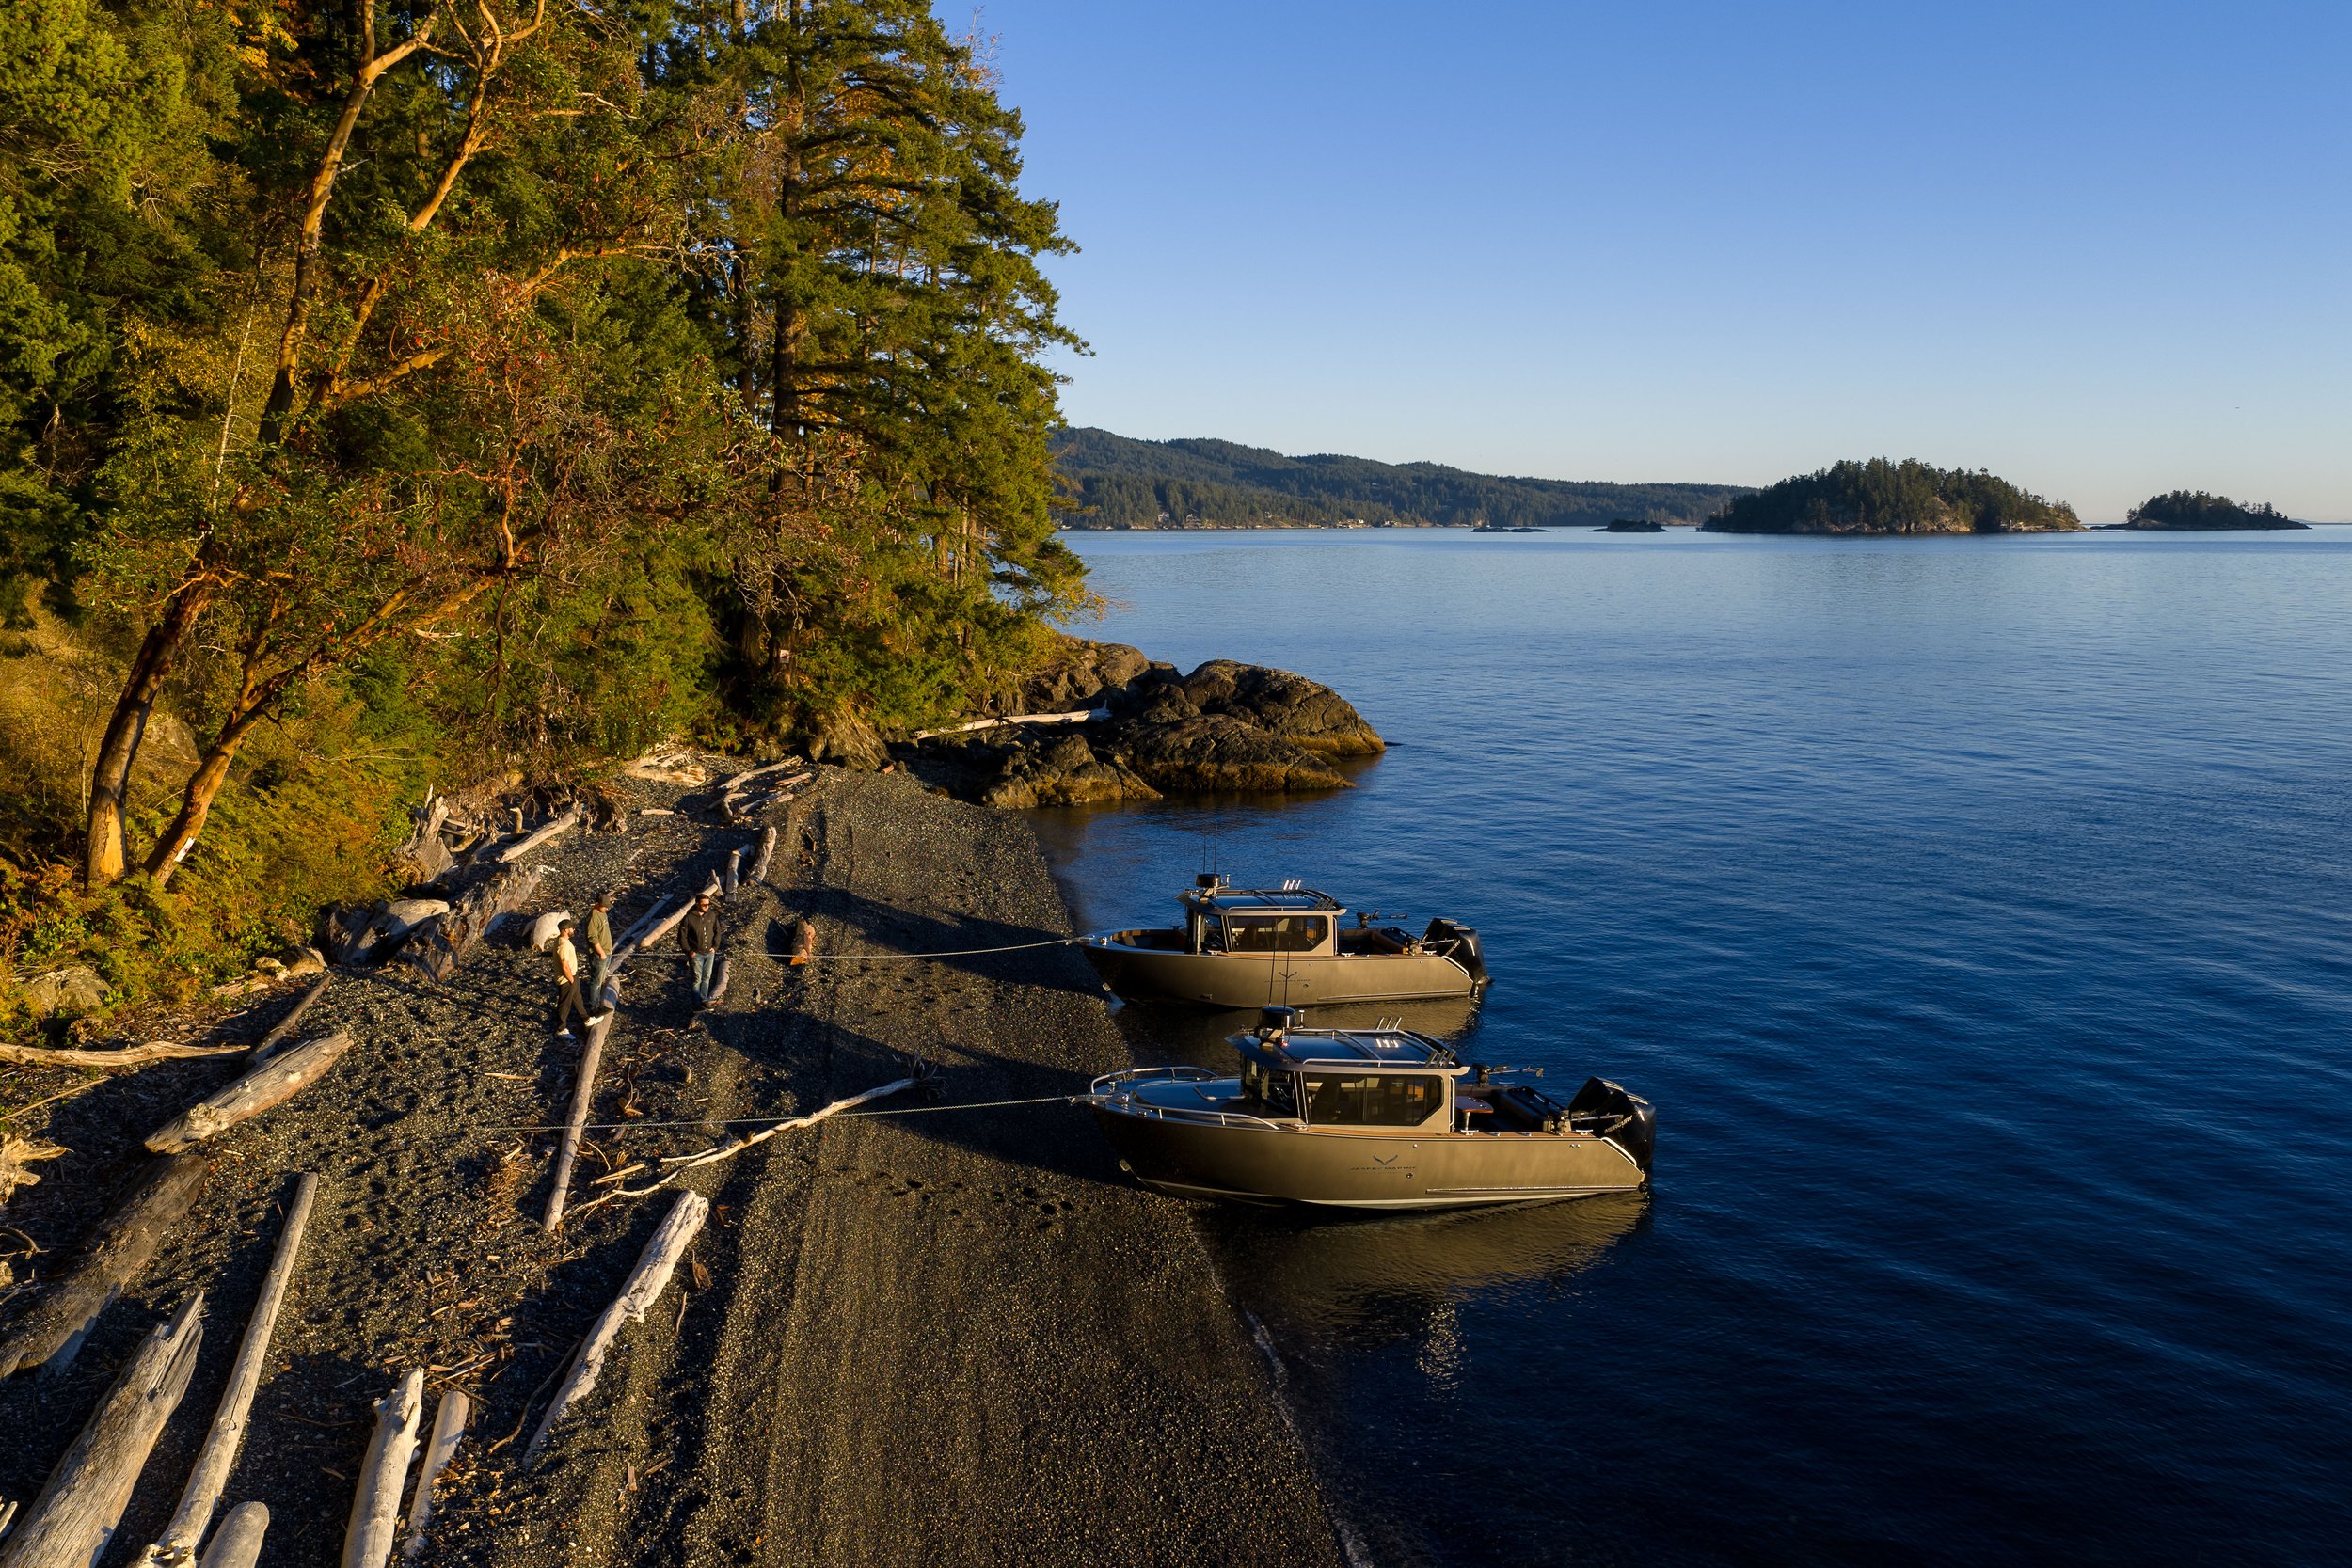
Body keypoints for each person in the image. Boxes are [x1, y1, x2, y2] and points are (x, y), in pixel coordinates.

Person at [680, 891, 721, 1003]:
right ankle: (696, 1003)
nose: (707, 907)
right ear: (697, 904)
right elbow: (682, 936)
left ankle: (703, 1000)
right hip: (696, 953)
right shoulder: (689, 918)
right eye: (704, 905)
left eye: (708, 904)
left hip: (709, 952)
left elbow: (717, 931)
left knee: (706, 978)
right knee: (697, 979)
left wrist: (715, 947)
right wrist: (689, 951)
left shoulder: (712, 915)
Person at [553, 917, 587, 1038]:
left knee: (577, 997)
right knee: (565, 1004)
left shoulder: (561, 940)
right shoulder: (563, 945)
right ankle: (561, 1029)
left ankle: (586, 1018)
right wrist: (571, 979)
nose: (574, 930)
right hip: (567, 978)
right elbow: (564, 965)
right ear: (565, 930)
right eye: (572, 928)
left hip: (571, 976)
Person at [584, 891, 614, 992]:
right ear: (597, 904)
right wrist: (601, 953)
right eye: (605, 906)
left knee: (601, 979)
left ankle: (599, 1000)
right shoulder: (593, 917)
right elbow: (592, 937)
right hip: (599, 954)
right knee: (596, 981)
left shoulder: (603, 913)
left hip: (607, 951)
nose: (606, 908)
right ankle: (594, 1006)